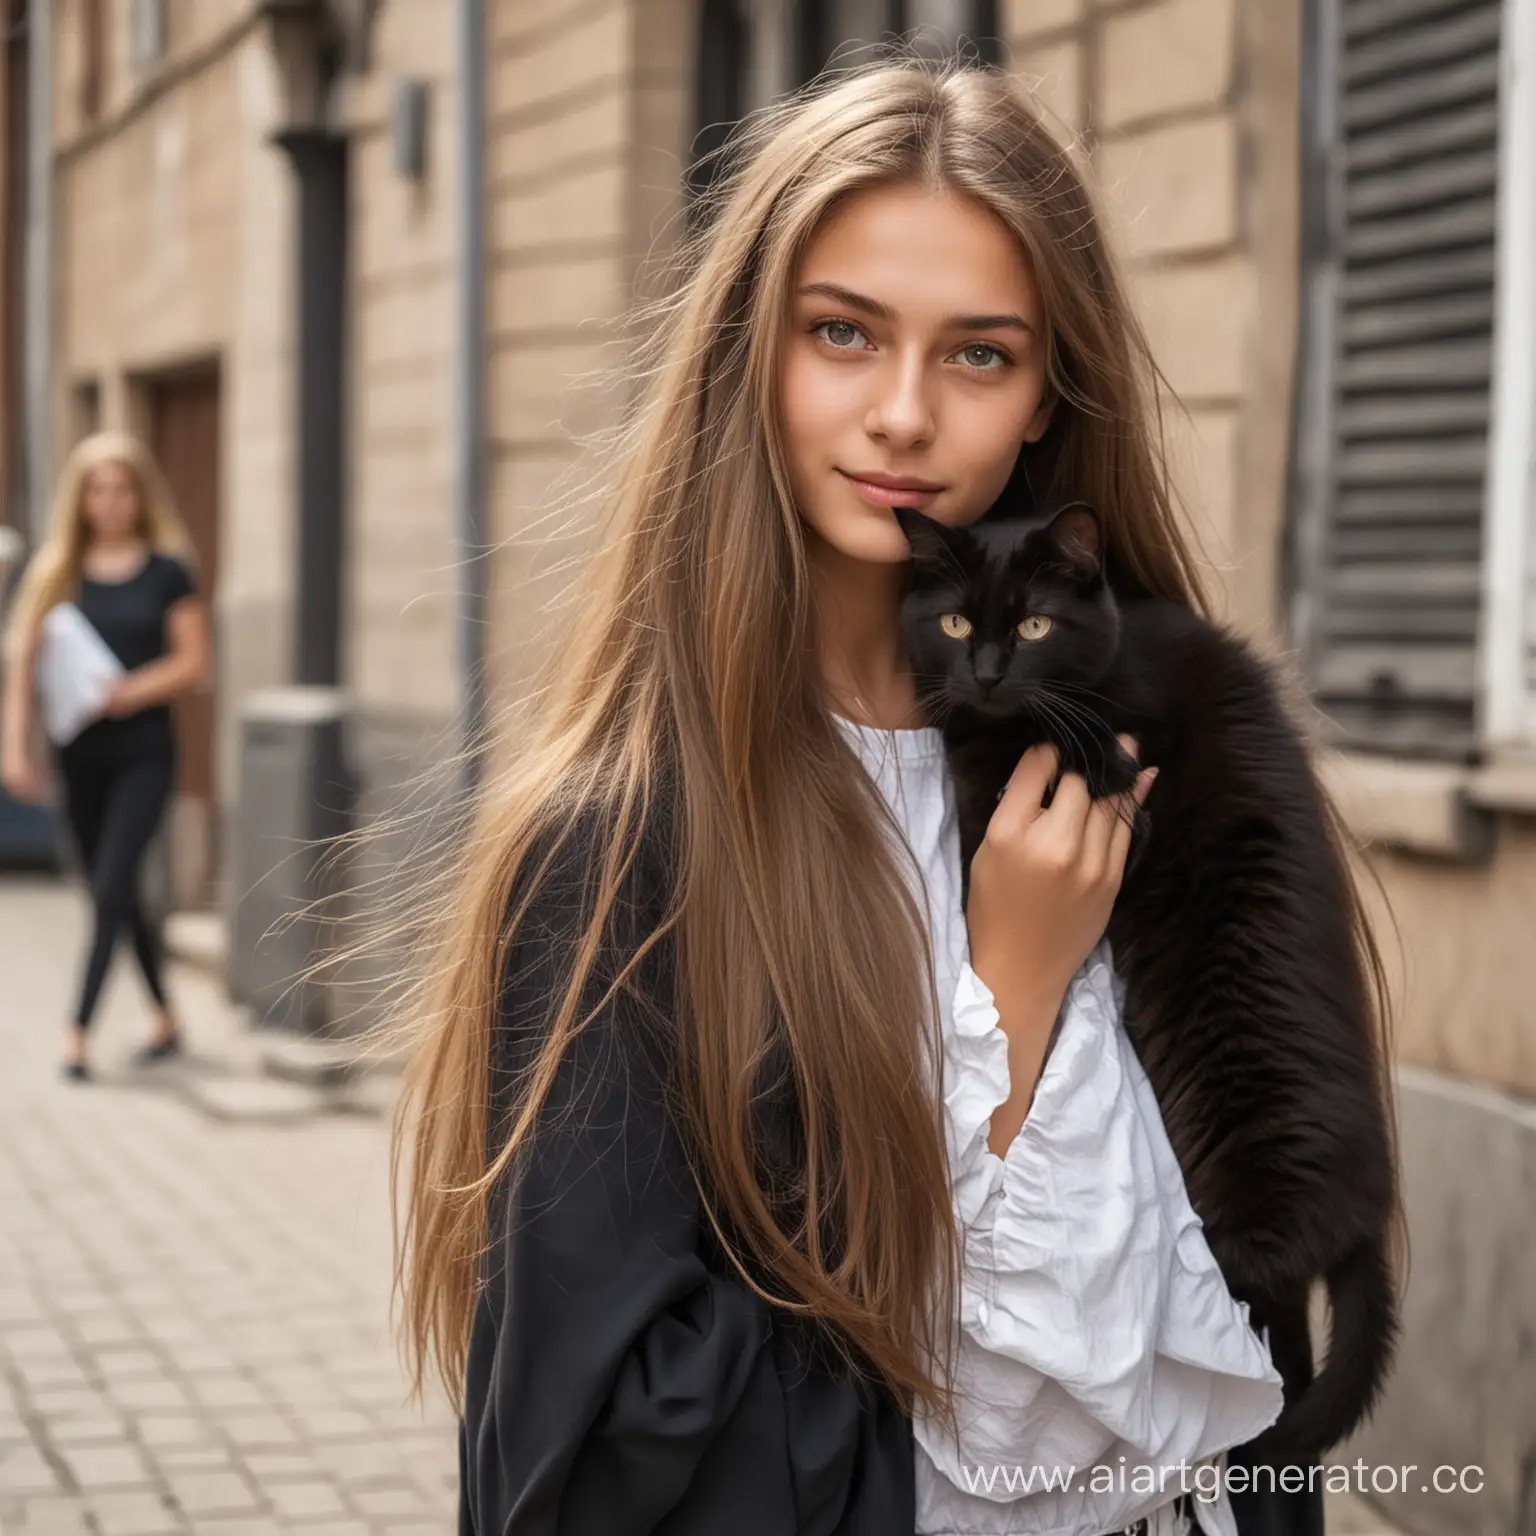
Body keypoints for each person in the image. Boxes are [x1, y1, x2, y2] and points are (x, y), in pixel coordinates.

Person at [390, 62, 1382, 1535]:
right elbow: (599, 1457)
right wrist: (1007, 1012)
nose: (903, 416)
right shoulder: (624, 842)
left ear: (1051, 394)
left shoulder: (1158, 781)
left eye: (980, 355)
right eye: (842, 333)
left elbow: (1249, 1347)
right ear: (752, 353)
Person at [1, 431, 211, 1081]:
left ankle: (76, 1031)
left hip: (145, 751)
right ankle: (166, 1017)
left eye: (122, 487)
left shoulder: (168, 570)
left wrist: (132, 691)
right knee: (110, 892)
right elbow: (22, 670)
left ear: (140, 494)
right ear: (81, 498)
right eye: (98, 488)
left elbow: (193, 663)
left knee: (114, 885)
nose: (111, 500)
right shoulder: (54, 572)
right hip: (79, 756)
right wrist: (15, 750)